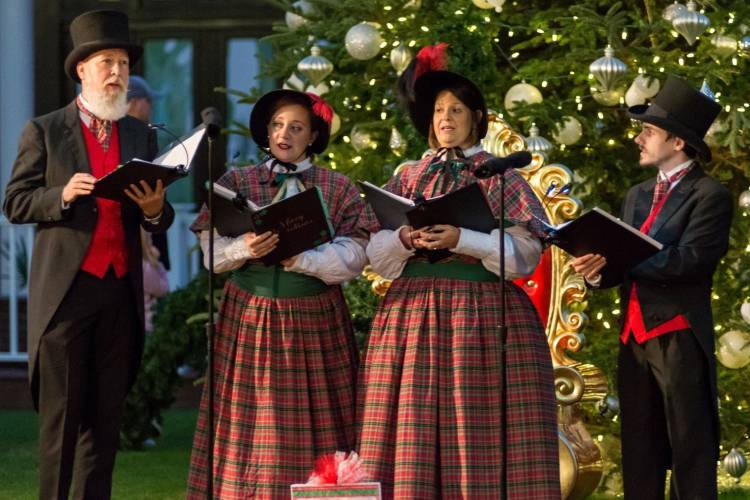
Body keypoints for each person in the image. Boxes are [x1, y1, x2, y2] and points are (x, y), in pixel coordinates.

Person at [357, 43, 560, 498]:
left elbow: (527, 254)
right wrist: (406, 239)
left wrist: (461, 239)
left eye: (456, 109)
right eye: (438, 110)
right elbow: (375, 252)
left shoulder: (500, 177)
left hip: (482, 317)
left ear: (476, 118)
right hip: (410, 316)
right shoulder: (408, 175)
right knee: (412, 422)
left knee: (477, 423)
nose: (446, 118)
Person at [2, 9, 174, 499]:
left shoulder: (142, 135)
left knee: (104, 422)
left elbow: (158, 222)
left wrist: (157, 209)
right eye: (107, 62)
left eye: (122, 62)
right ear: (82, 70)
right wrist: (61, 195)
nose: (117, 72)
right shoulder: (46, 130)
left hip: (120, 290)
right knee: (61, 420)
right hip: (67, 294)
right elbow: (15, 202)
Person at [186, 89, 375, 498]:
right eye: (276, 125)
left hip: (315, 317)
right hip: (250, 315)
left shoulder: (336, 186)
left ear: (313, 136)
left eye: (296, 127)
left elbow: (356, 257)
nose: (283, 133)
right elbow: (211, 257)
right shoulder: (237, 181)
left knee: (319, 417)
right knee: (250, 420)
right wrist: (244, 249)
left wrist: (301, 259)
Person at [571, 75, 731, 499]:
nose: (639, 139)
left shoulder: (710, 195)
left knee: (688, 449)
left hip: (677, 334)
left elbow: (690, 262)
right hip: (634, 336)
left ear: (678, 142)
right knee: (639, 449)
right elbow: (622, 266)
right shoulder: (637, 195)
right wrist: (596, 269)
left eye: (649, 131)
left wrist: (622, 256)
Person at [127, 74, 171, 271]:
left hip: (153, 229)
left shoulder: (147, 136)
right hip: (138, 243)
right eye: (149, 101)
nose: (151, 107)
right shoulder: (125, 140)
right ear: (134, 102)